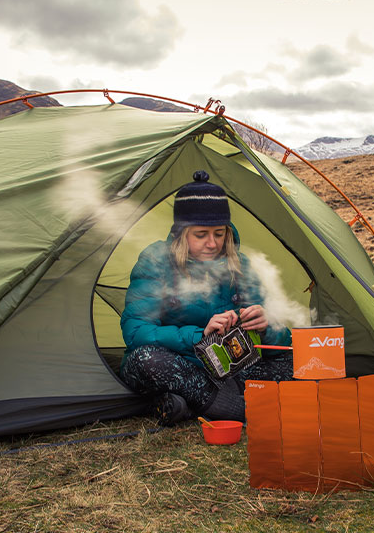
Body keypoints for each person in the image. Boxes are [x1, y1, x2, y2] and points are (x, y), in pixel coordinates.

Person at [119, 170, 293, 425]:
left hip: (230, 367)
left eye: (219, 234)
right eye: (201, 234)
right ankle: (234, 408)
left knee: (295, 359)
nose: (212, 243)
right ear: (182, 233)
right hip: (182, 364)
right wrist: (199, 336)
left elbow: (280, 340)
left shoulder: (240, 265)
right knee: (144, 360)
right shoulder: (156, 261)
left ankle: (188, 405)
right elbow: (135, 332)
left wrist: (267, 328)